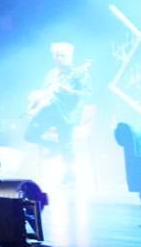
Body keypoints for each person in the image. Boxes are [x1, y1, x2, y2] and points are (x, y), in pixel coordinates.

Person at [25, 42, 92, 179]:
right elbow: (45, 92)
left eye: (62, 56)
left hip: (67, 113)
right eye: (56, 55)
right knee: (30, 134)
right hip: (49, 112)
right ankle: (54, 147)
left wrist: (70, 91)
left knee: (66, 145)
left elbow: (87, 93)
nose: (58, 58)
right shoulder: (51, 74)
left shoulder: (79, 73)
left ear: (70, 57)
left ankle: (70, 177)